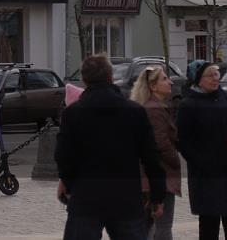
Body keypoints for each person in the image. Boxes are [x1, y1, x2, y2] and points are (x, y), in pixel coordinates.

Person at [56, 54, 166, 240]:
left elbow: (63, 156)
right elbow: (151, 157)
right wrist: (157, 196)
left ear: (84, 79)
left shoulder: (72, 113)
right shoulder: (135, 112)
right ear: (111, 76)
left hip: (86, 196)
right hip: (126, 196)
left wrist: (68, 183)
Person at [177, 61, 227, 240]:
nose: (215, 78)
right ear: (199, 80)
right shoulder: (189, 104)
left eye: (216, 74)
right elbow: (182, 141)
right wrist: (201, 162)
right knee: (209, 225)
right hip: (207, 175)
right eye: (210, 75)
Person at [132, 66, 182, 240]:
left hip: (151, 177)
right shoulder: (154, 109)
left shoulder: (153, 107)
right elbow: (160, 143)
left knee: (149, 228)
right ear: (153, 86)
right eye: (164, 79)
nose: (170, 82)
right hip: (160, 178)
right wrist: (175, 159)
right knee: (162, 228)